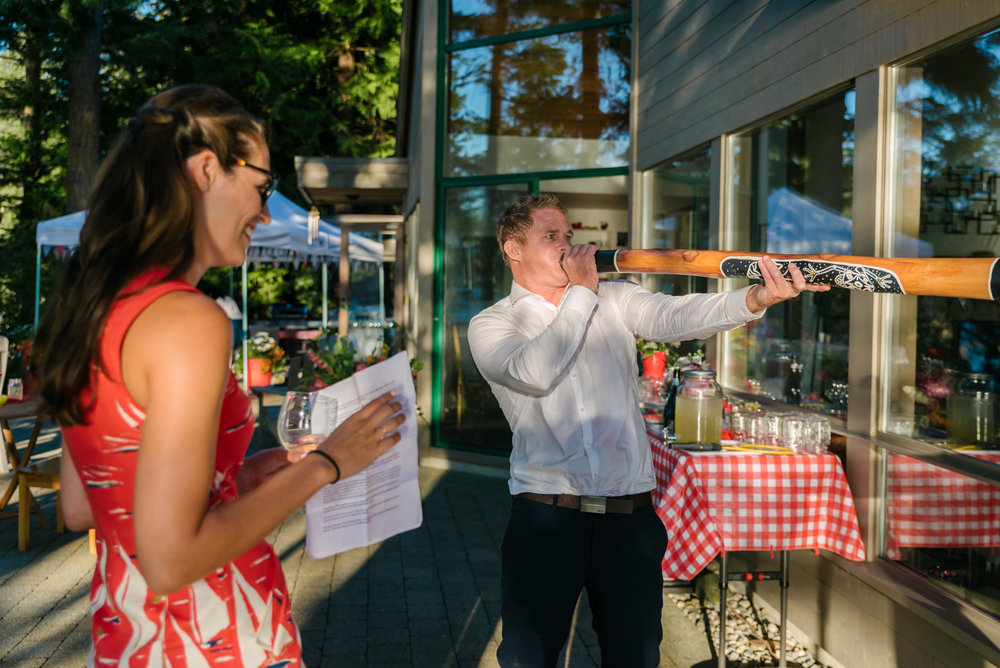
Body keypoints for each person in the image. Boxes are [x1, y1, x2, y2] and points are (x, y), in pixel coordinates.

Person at [31, 85, 406, 666]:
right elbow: (174, 558)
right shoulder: (187, 320)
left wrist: (248, 476)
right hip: (211, 636)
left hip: (131, 634)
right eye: (262, 186)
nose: (262, 210)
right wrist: (330, 465)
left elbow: (86, 506)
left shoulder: (95, 310)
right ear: (206, 170)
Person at [468, 193, 828, 667]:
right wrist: (580, 293)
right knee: (527, 658)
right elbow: (535, 372)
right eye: (550, 236)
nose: (566, 245)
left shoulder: (613, 297)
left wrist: (755, 298)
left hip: (628, 519)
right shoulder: (492, 323)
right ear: (513, 249)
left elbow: (676, 317)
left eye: (569, 237)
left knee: (636, 657)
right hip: (547, 518)